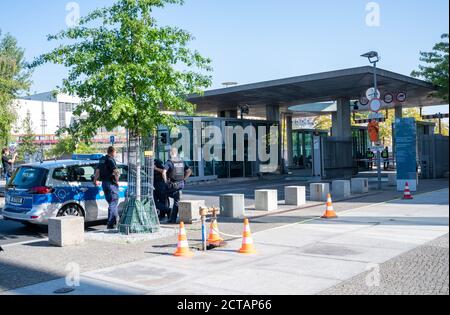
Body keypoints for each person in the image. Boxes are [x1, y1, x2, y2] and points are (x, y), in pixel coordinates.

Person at [94, 146, 120, 229]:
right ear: (112, 152)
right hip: (111, 184)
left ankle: (114, 222)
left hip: (104, 184)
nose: (115, 154)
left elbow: (97, 171)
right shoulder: (110, 159)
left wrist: (95, 180)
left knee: (111, 204)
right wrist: (117, 181)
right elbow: (116, 171)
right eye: (115, 152)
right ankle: (111, 224)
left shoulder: (102, 159)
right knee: (113, 203)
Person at [164, 148, 192, 224]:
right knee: (176, 201)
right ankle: (172, 219)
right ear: (177, 153)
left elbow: (163, 172)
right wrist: (184, 179)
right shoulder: (182, 161)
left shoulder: (169, 162)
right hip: (180, 184)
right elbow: (189, 171)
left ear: (170, 153)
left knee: (162, 193)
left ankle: (166, 211)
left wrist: (166, 181)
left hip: (172, 185)